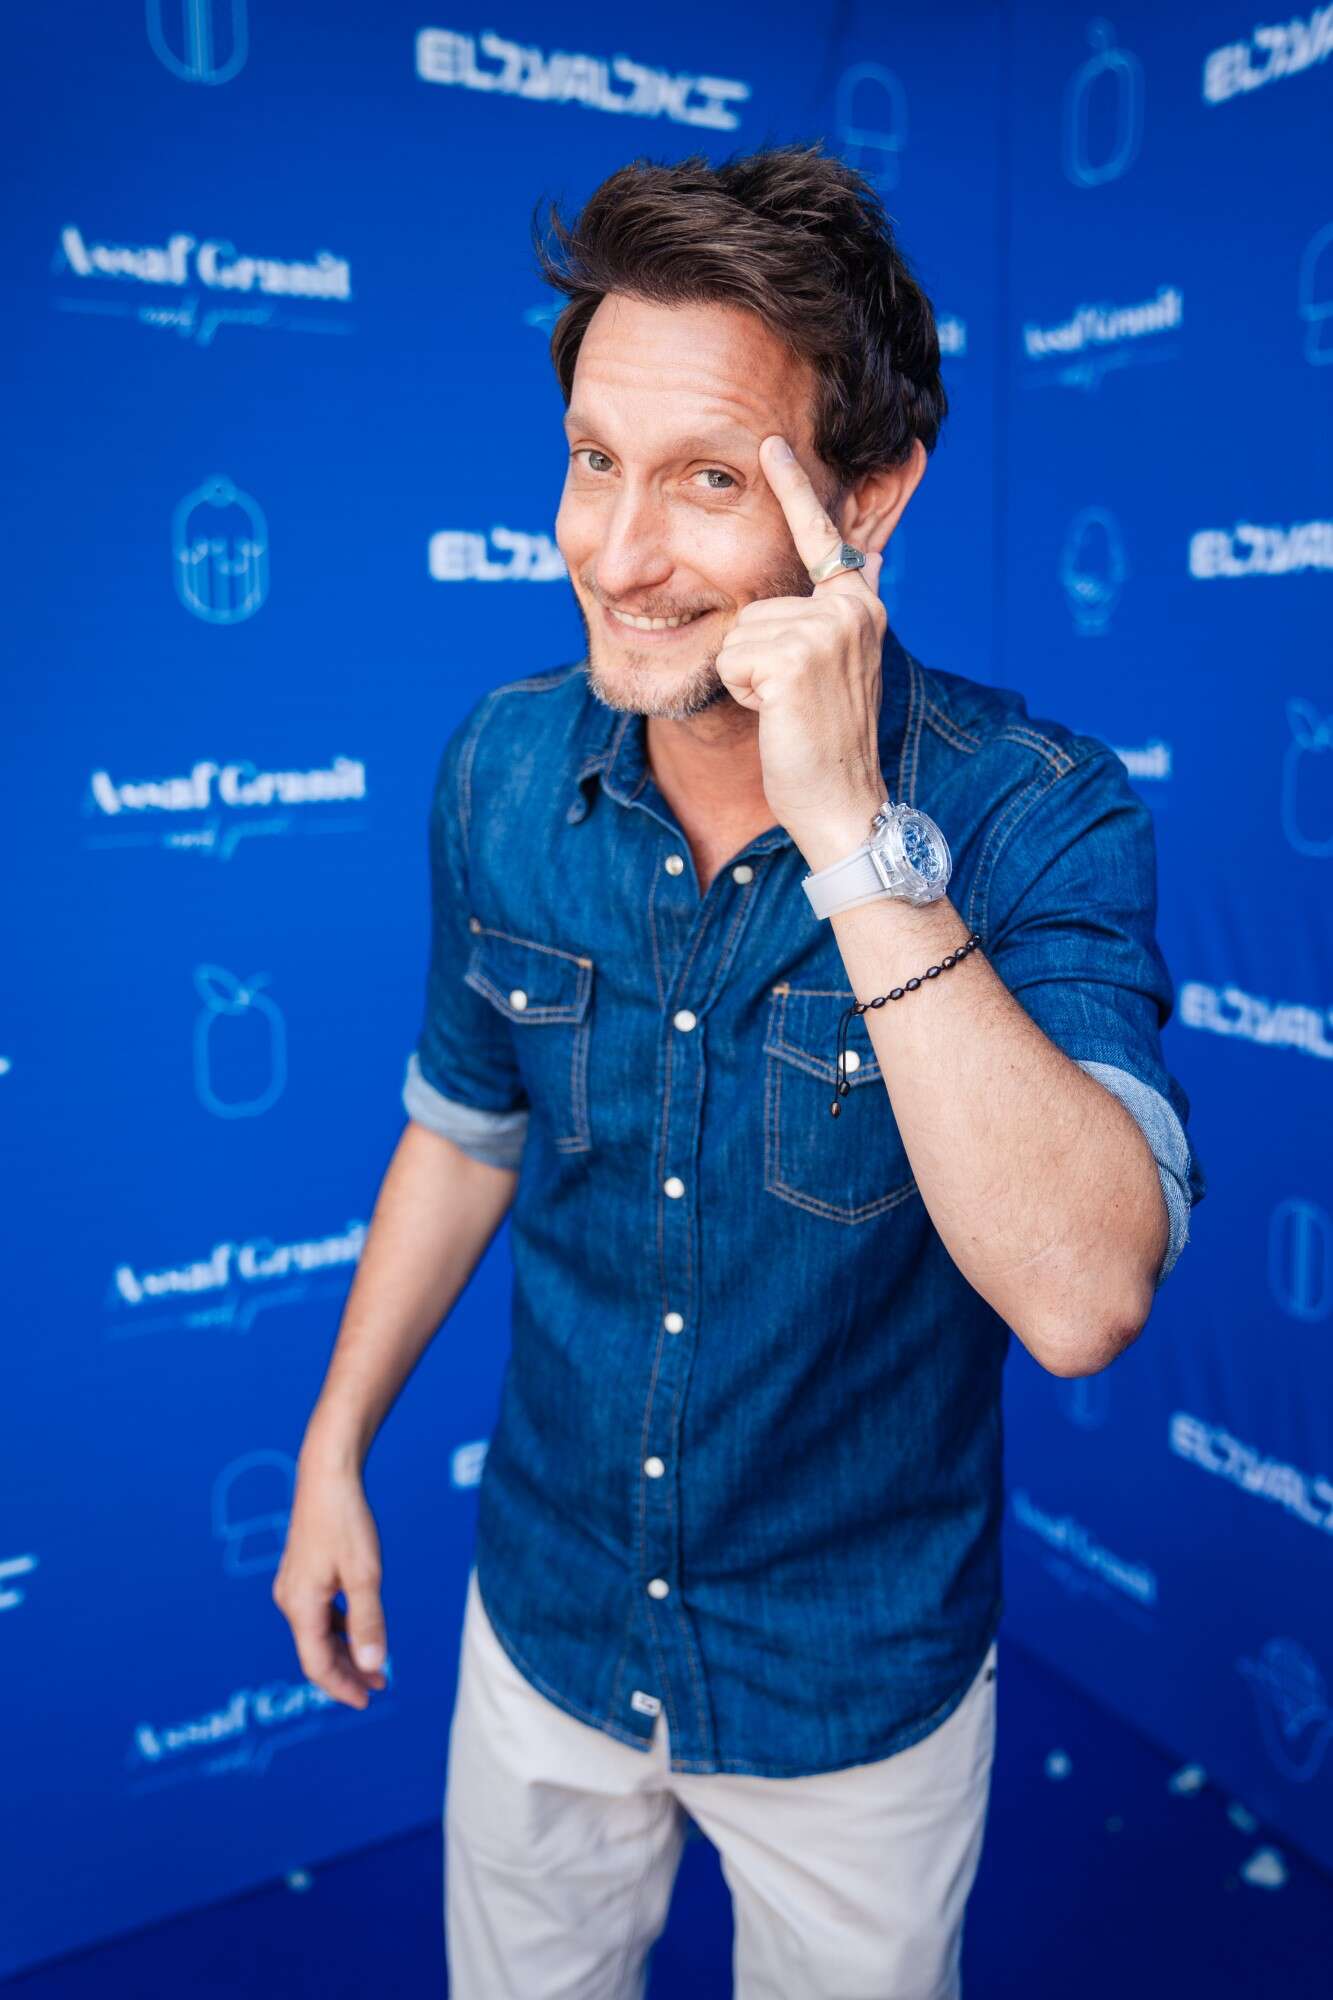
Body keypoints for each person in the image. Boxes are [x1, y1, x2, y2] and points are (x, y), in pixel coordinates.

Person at [273, 140, 1206, 1998]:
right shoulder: (498, 771)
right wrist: (331, 1445)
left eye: (708, 479)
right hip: (545, 1622)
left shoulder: (1038, 816)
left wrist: (850, 830)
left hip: (850, 1687)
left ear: (869, 495)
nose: (616, 555)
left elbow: (1084, 1294)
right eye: (592, 461)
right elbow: (462, 1131)